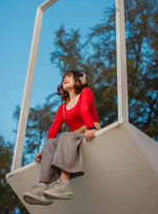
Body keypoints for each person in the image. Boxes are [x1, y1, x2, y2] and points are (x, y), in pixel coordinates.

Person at [23, 70, 101, 205]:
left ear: (79, 80)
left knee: (65, 136)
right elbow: (53, 129)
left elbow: (84, 110)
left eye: (69, 76)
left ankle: (64, 183)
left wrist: (90, 128)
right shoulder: (62, 108)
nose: (65, 79)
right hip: (74, 137)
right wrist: (43, 151)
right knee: (51, 143)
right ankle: (43, 187)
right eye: (64, 77)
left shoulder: (85, 92)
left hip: (90, 128)